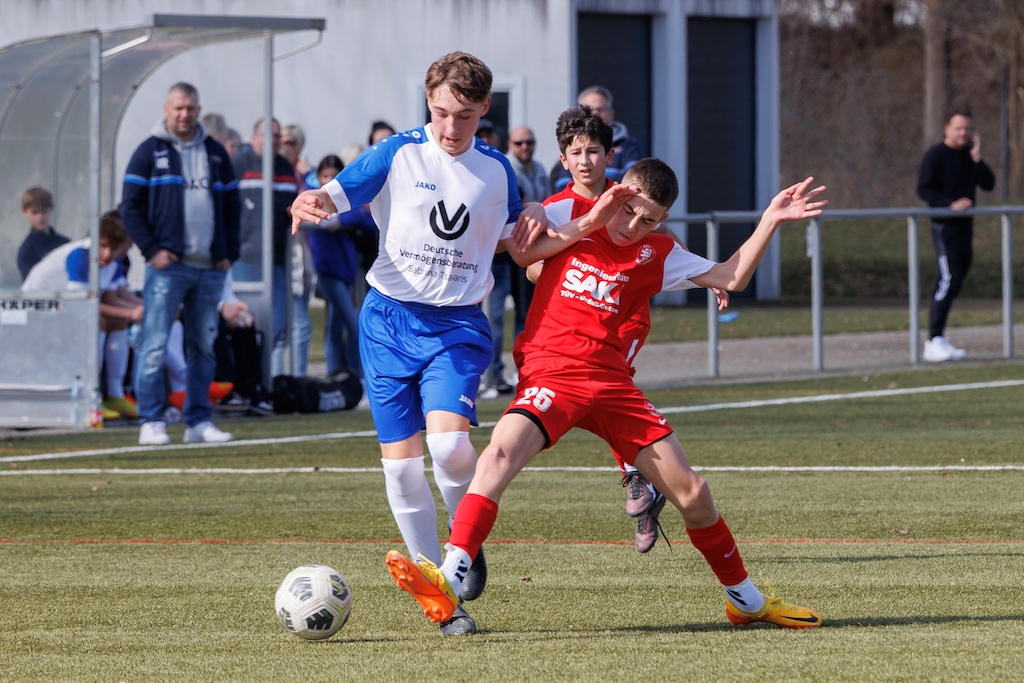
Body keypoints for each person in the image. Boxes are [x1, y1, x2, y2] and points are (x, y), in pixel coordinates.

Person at [385, 160, 827, 633]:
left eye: (648, 220)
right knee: (497, 456)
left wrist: (770, 219)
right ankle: (449, 578)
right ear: (617, 194)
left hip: (613, 384)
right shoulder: (569, 214)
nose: (633, 227)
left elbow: (730, 277)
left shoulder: (658, 252)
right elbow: (514, 243)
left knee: (694, 494)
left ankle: (747, 601)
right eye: (629, 211)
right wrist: (534, 208)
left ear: (662, 222)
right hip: (553, 375)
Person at [291, 51, 602, 637]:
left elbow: (514, 237)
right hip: (387, 322)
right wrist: (308, 202)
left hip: (456, 325)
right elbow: (332, 194)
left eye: (464, 115)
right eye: (439, 113)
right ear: (428, 103)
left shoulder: (497, 169)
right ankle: (441, 598)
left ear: (484, 109)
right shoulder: (397, 153)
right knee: (403, 472)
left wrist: (540, 214)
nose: (450, 127)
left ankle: (465, 540)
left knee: (451, 448)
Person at [537, 106, 728, 553]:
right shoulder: (557, 209)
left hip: (626, 320)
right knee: (593, 393)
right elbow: (533, 266)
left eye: (593, 151)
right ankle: (645, 484)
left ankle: (636, 477)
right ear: (563, 160)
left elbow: (663, 242)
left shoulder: (629, 196)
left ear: (610, 156)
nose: (585, 160)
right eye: (576, 153)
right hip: (575, 325)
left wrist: (705, 274)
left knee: (609, 384)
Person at [121, 82, 240, 446]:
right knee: (155, 344)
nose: (184, 114)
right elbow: (130, 208)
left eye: (190, 108)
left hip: (209, 268)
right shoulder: (148, 151)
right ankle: (151, 421)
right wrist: (152, 250)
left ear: (198, 110)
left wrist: (228, 253)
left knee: (203, 347)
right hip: (167, 268)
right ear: (166, 109)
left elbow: (233, 207)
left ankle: (198, 421)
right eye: (178, 108)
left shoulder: (215, 153)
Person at [22, 210, 142, 419]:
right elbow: (83, 307)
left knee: (118, 321)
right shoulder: (79, 256)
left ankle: (115, 394)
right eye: (103, 245)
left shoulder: (113, 263)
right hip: (33, 313)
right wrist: (132, 312)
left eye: (113, 248)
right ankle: (90, 395)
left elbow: (113, 299)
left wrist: (140, 311)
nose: (107, 253)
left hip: (61, 309)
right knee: (98, 321)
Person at [917, 106, 996, 362]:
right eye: (958, 128)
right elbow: (924, 190)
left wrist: (977, 157)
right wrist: (950, 205)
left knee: (957, 278)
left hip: (965, 228)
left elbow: (989, 184)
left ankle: (939, 338)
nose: (963, 133)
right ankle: (933, 340)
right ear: (947, 129)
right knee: (948, 279)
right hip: (944, 227)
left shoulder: (969, 157)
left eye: (967, 129)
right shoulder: (935, 155)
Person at [481, 125, 550, 397]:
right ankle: (492, 375)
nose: (525, 147)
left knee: (528, 313)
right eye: (519, 143)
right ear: (509, 144)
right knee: (494, 316)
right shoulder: (505, 167)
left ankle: (524, 369)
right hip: (501, 255)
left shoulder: (539, 168)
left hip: (529, 251)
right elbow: (521, 206)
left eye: (529, 141)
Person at [232, 117, 302, 377]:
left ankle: (263, 379)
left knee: (277, 325)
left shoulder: (284, 167)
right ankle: (245, 381)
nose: (273, 140)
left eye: (276, 135)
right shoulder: (240, 164)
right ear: (254, 138)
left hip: (276, 261)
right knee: (246, 324)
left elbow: (290, 204)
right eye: (267, 135)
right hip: (245, 260)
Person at [302, 154, 377, 379]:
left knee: (336, 326)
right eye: (324, 175)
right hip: (327, 271)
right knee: (354, 326)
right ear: (318, 177)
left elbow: (368, 219)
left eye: (334, 176)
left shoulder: (346, 198)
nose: (328, 180)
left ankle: (338, 377)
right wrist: (346, 216)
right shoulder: (313, 195)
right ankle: (355, 376)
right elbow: (323, 218)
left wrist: (343, 219)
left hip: (347, 270)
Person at [551, 85, 644, 192]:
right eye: (589, 109)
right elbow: (562, 186)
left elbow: (634, 180)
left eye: (600, 109)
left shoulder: (629, 145)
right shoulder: (569, 146)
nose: (584, 161)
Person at [17, 187, 70, 281]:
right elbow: (32, 284)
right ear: (24, 212)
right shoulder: (27, 251)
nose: (40, 217)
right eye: (35, 212)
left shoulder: (65, 243)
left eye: (44, 211)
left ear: (51, 209)